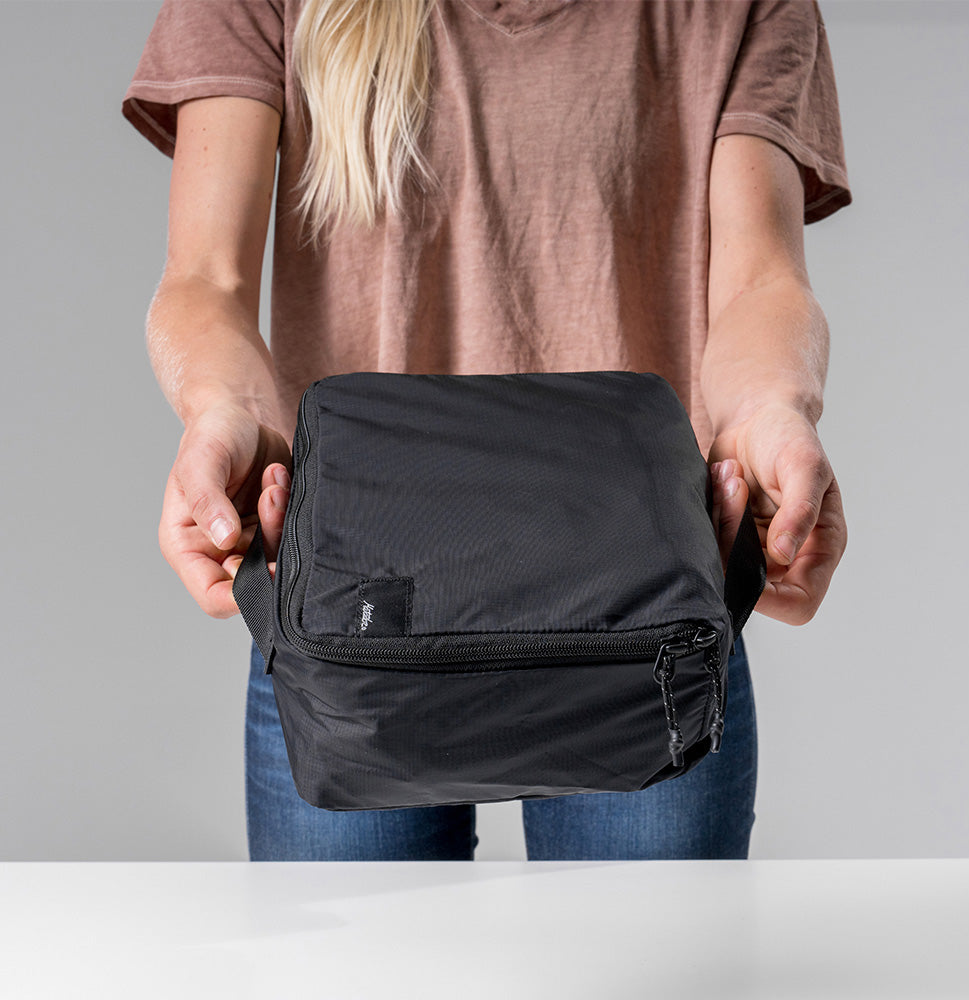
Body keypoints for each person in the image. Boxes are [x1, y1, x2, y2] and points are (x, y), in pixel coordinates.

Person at [121, 0, 851, 861]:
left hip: (641, 612)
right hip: (351, 610)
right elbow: (206, 278)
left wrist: (776, 413)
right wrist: (223, 413)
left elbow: (759, 280)